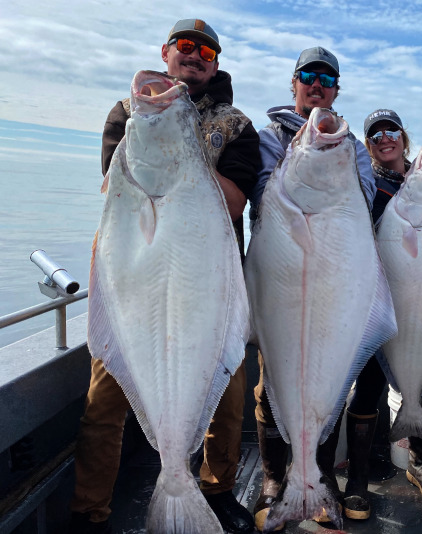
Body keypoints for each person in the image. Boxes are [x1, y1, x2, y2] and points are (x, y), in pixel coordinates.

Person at [68, 19, 260, 534]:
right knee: (104, 400)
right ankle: (90, 510)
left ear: (215, 63)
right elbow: (115, 181)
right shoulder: (127, 112)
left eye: (206, 50)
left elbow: (238, 199)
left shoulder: (237, 125)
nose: (194, 55)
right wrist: (159, 120)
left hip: (208, 285)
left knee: (228, 394)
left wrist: (185, 155)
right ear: (167, 52)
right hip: (133, 282)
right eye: (184, 46)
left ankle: (216, 491)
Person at [248, 46, 376, 531]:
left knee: (328, 381)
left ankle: (319, 478)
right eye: (308, 75)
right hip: (280, 280)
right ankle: (275, 480)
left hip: (329, 279)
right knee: (270, 383)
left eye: (326, 77)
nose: (316, 83)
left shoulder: (354, 147)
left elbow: (361, 201)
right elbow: (263, 193)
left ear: (336, 89)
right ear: (294, 83)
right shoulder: (268, 137)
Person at [341, 109, 422, 522]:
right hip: (375, 301)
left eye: (391, 131)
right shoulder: (364, 183)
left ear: (403, 137)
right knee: (367, 388)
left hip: (420, 299)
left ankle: (418, 463)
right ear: (368, 146)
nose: (384, 138)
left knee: (418, 383)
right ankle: (357, 478)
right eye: (374, 135)